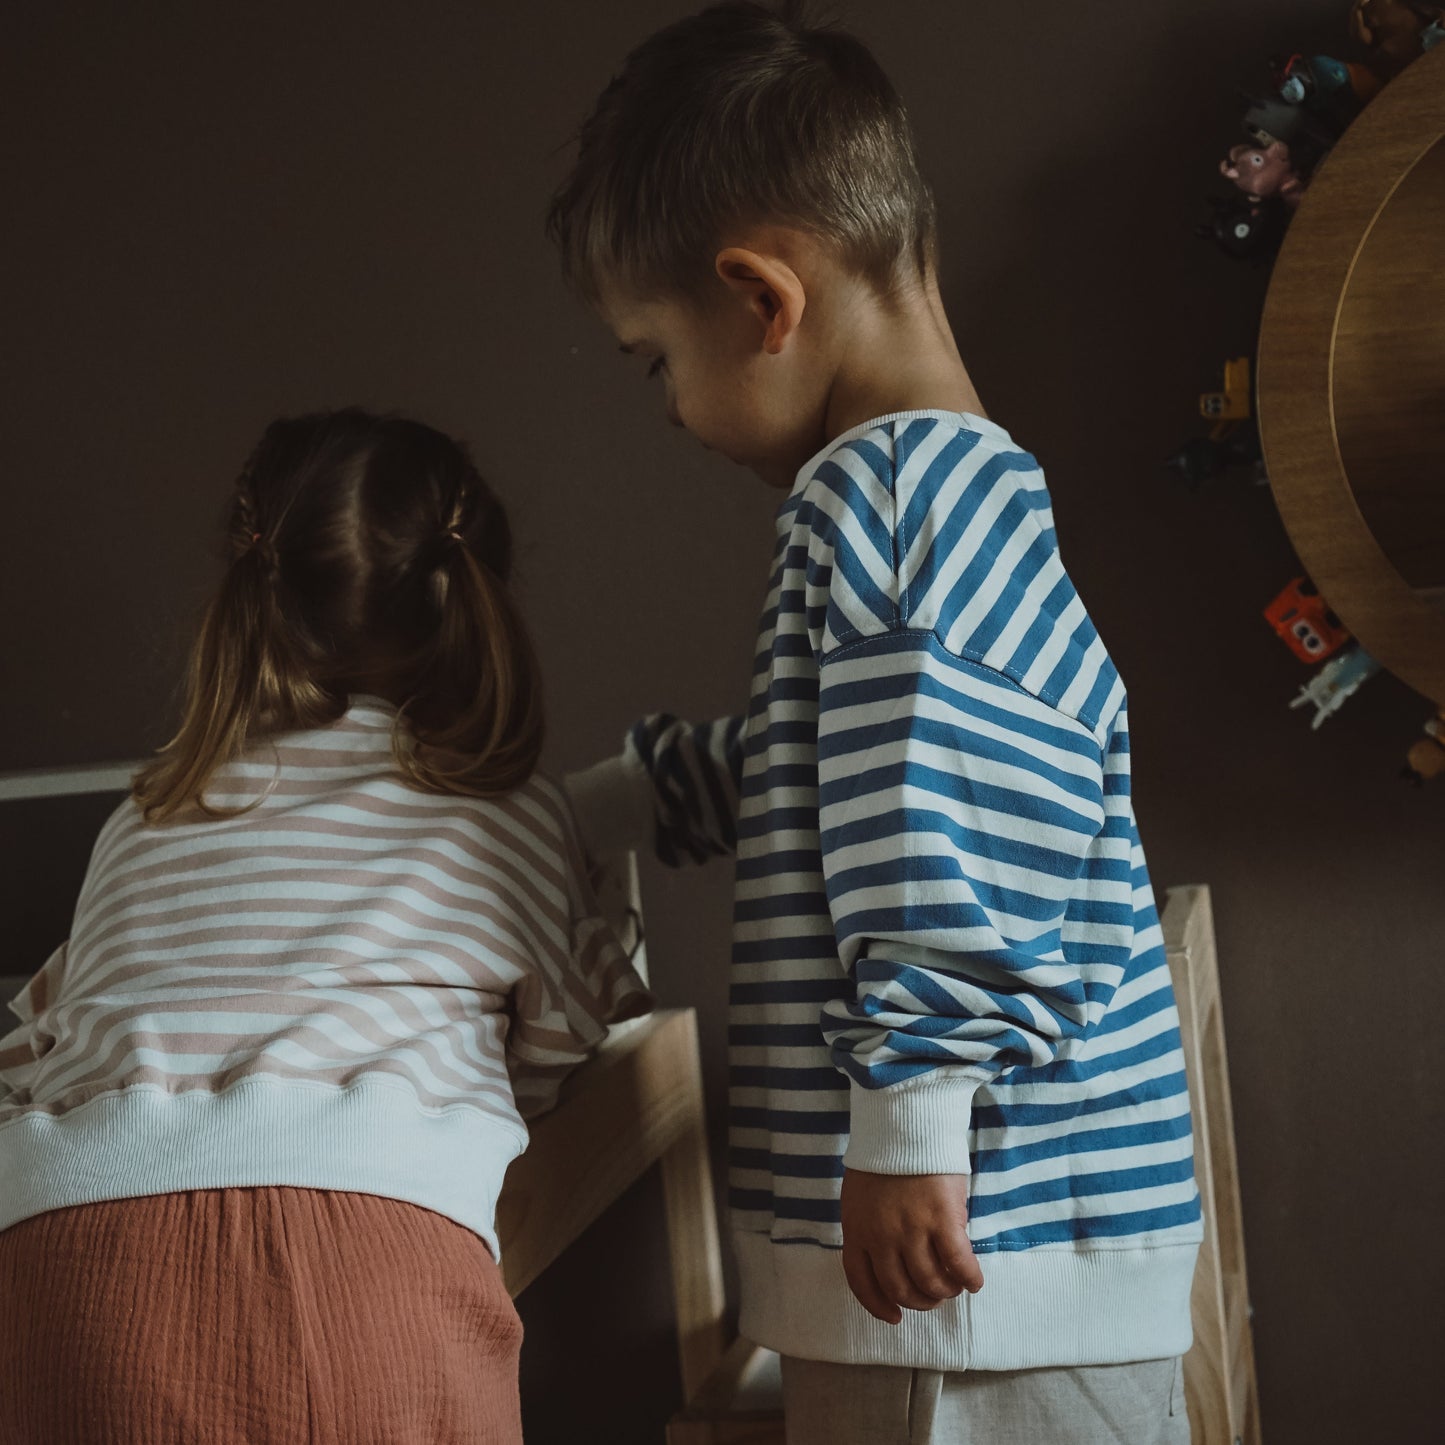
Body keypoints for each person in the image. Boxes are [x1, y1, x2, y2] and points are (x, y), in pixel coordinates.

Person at [548, 5, 1201, 1441]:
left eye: (654, 357)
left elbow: (952, 817)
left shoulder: (889, 507)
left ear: (761, 300)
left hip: (973, 1254)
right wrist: (606, 803)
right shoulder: (926, 505)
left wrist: (911, 1131)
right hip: (973, 1261)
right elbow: (834, 772)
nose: (665, 408)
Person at [0, 408, 649, 1445]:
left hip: (66, 1249)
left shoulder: (146, 813)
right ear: (470, 600)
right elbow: (557, 1036)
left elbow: (40, 1036)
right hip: (356, 1249)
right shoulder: (509, 809)